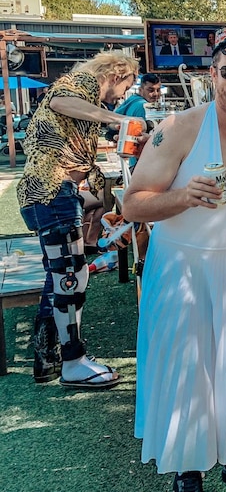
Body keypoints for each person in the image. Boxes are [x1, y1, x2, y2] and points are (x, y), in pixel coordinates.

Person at [125, 21, 226, 492]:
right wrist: (181, 198)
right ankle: (188, 471)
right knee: (187, 369)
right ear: (212, 73)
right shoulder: (177, 129)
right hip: (180, 268)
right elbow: (133, 204)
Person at [18, 51, 139, 386]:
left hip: (48, 193)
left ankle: (48, 360)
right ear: (116, 74)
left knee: (58, 277)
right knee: (71, 277)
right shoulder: (84, 83)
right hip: (53, 190)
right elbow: (59, 102)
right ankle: (73, 360)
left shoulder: (79, 90)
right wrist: (116, 120)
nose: (122, 96)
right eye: (125, 86)